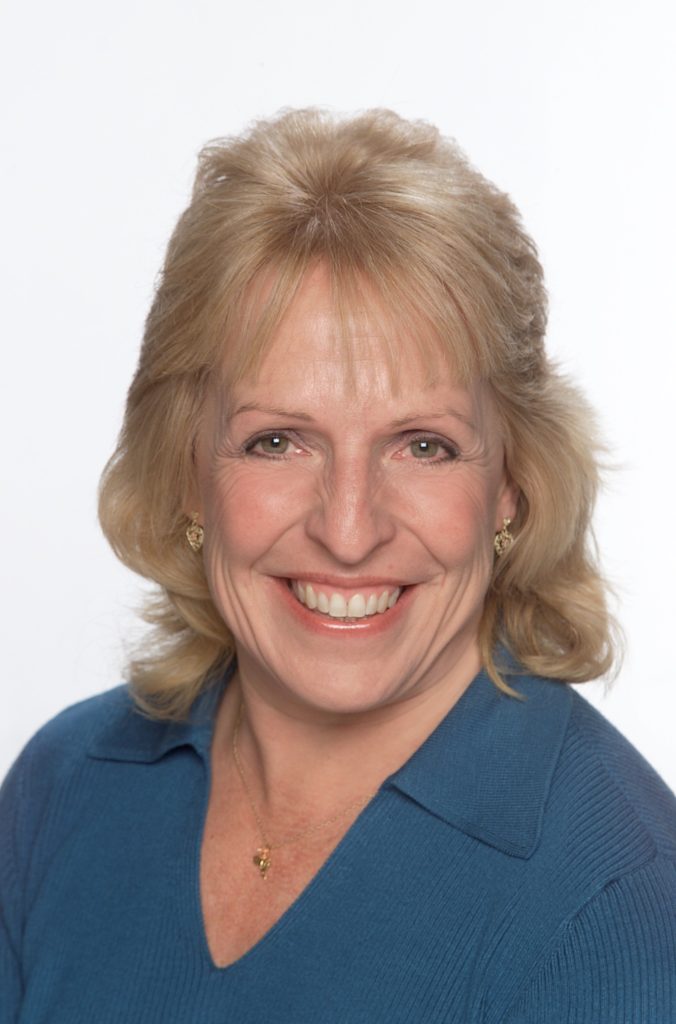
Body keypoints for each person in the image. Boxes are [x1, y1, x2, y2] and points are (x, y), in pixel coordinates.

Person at [1, 109, 674, 1024]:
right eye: (278, 441)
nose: (348, 532)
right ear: (187, 473)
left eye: (423, 446)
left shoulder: (617, 902)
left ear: (513, 486)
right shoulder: (65, 788)